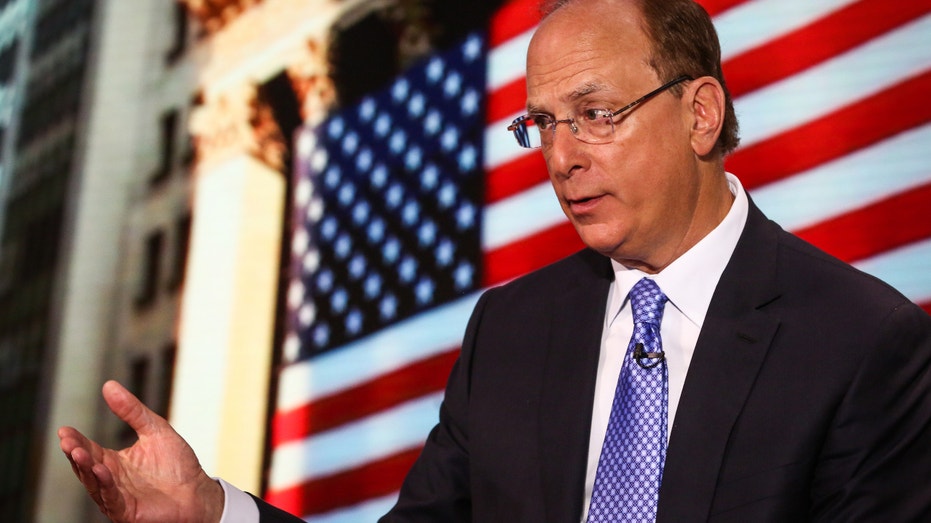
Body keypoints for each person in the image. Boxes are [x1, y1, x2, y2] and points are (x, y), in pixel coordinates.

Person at [59, 0, 931, 521]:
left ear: (700, 113)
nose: (560, 157)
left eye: (594, 112)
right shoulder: (511, 330)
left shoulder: (861, 342)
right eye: (540, 123)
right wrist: (215, 512)